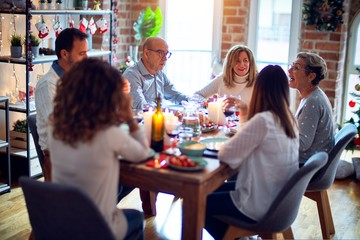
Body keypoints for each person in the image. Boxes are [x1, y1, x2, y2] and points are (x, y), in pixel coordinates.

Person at [48, 58, 147, 240]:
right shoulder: (109, 134)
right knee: (137, 217)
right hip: (97, 227)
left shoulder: (56, 127)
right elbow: (142, 153)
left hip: (64, 221)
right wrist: (130, 119)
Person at [204, 65, 299, 240]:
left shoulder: (263, 121)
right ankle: (239, 236)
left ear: (258, 90)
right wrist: (245, 114)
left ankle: (236, 237)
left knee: (197, 203)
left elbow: (226, 155)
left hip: (259, 203)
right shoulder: (288, 119)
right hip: (278, 199)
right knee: (207, 191)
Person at [35, 27, 131, 181]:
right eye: (82, 53)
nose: (86, 58)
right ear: (64, 54)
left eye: (87, 52)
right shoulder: (47, 85)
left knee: (127, 166)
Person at [288, 52, 334, 165]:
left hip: (304, 165)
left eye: (296, 68)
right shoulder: (313, 96)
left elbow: (302, 144)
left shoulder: (312, 102)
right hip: (308, 161)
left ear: (311, 76)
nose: (289, 71)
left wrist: (277, 134)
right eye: (292, 66)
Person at [123, 37, 188, 110]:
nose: (165, 58)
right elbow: (141, 108)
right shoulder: (132, 75)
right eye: (161, 53)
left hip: (157, 118)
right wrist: (169, 111)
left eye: (166, 54)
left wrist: (193, 102)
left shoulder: (159, 73)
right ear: (147, 53)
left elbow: (175, 95)